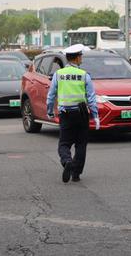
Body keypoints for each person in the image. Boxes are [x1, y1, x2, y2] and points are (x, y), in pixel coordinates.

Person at [46, 44, 99, 183]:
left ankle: (67, 160)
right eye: (80, 56)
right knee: (81, 144)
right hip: (82, 114)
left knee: (64, 143)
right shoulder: (84, 75)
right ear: (76, 58)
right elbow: (91, 98)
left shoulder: (58, 74)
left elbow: (51, 95)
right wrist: (95, 116)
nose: (81, 58)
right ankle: (76, 174)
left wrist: (50, 111)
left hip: (65, 114)